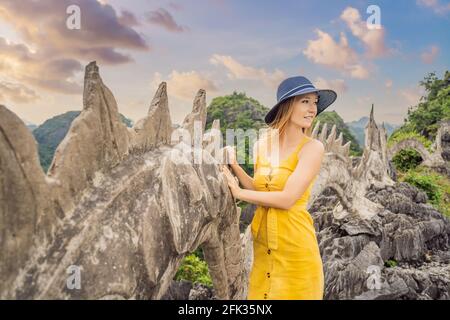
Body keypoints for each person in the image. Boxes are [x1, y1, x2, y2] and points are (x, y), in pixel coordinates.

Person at [221, 76, 337, 300]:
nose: (312, 109)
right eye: (305, 102)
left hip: (296, 249)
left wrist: (237, 192)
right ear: (287, 105)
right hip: (263, 246)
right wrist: (234, 167)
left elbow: (287, 199)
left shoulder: (312, 148)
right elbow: (261, 190)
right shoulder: (261, 145)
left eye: (314, 102)